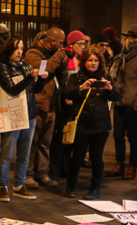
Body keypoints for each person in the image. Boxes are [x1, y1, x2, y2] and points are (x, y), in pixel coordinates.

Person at [0, 36, 48, 202]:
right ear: (9, 50)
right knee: (7, 153)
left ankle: (19, 185)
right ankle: (2, 186)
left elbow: (35, 89)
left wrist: (42, 79)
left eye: (21, 48)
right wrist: (30, 77)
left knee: (24, 153)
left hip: (29, 113)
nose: (20, 52)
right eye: (16, 48)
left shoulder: (26, 66)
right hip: (11, 114)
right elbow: (12, 89)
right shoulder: (3, 67)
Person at [64, 50, 120, 200]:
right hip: (81, 123)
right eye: (90, 60)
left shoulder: (106, 78)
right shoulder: (76, 77)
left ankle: (95, 188)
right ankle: (70, 186)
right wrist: (82, 87)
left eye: (95, 60)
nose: (93, 63)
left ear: (100, 63)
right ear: (84, 62)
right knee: (77, 157)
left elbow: (116, 97)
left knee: (97, 157)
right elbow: (67, 93)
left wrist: (109, 89)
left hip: (101, 124)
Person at [105, 25, 137, 180]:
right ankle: (120, 165)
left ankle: (132, 167)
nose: (125, 40)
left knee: (132, 136)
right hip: (119, 102)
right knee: (118, 135)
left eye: (127, 38)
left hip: (132, 105)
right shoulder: (122, 57)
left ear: (134, 40)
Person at [24, 27, 69, 188]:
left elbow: (61, 80)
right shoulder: (32, 54)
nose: (63, 46)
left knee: (45, 143)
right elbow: (44, 70)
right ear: (52, 42)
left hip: (51, 106)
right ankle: (27, 175)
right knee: (32, 143)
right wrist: (57, 58)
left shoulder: (54, 56)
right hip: (37, 105)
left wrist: (63, 64)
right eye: (61, 43)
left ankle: (42, 174)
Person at [50, 30, 86, 180]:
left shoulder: (83, 60)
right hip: (64, 102)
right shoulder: (65, 59)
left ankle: (67, 167)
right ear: (71, 44)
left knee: (72, 136)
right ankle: (58, 168)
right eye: (80, 44)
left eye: (84, 44)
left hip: (77, 102)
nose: (83, 47)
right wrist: (66, 95)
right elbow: (60, 81)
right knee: (61, 136)